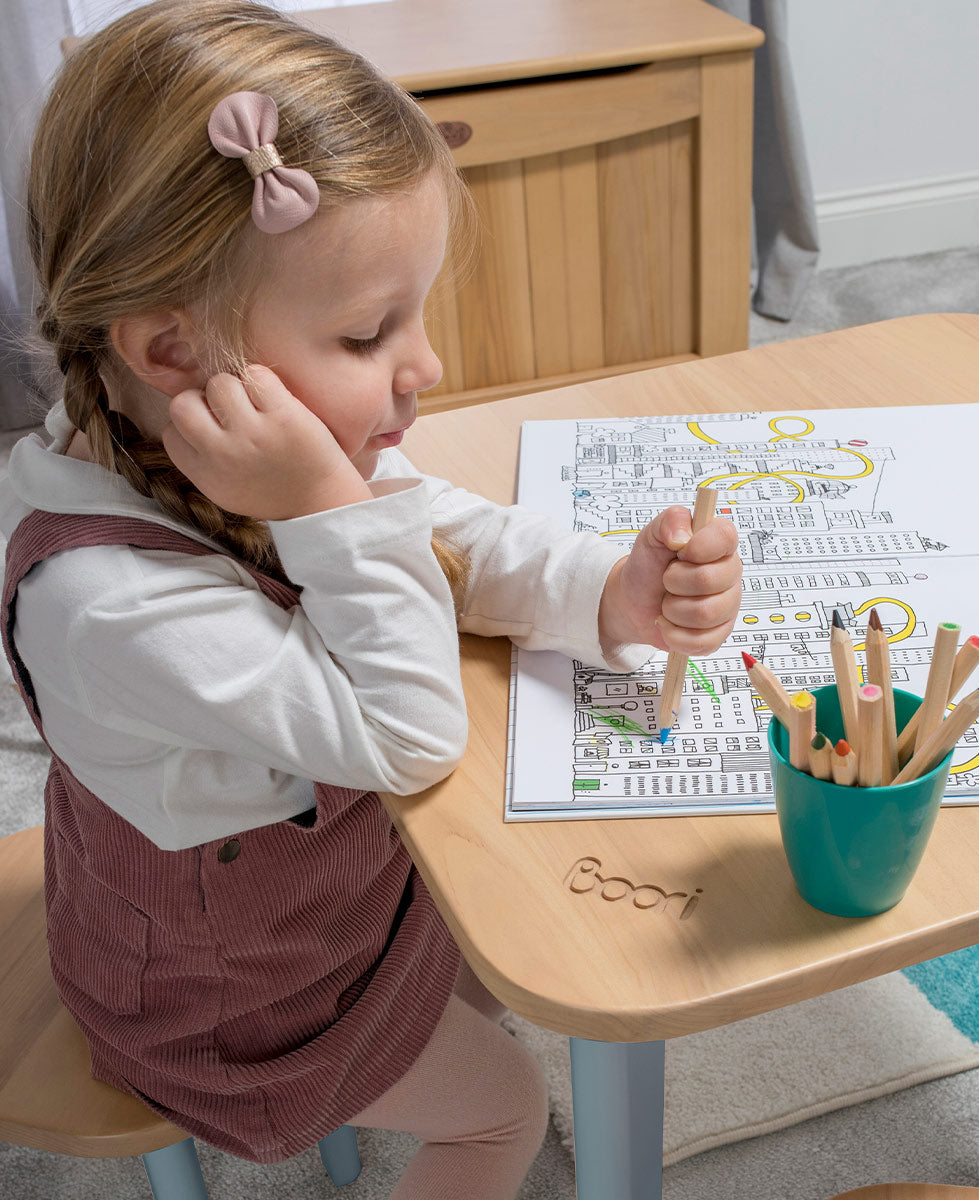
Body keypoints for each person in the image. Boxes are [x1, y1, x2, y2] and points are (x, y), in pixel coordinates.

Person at [0, 2, 743, 1197]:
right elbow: (408, 734)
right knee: (502, 1109)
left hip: (336, 902)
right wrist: (327, 508)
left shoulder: (238, 434)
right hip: (228, 998)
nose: (427, 366)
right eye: (367, 331)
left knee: (523, 935)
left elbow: (449, 538)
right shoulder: (105, 603)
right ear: (170, 350)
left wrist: (614, 588)